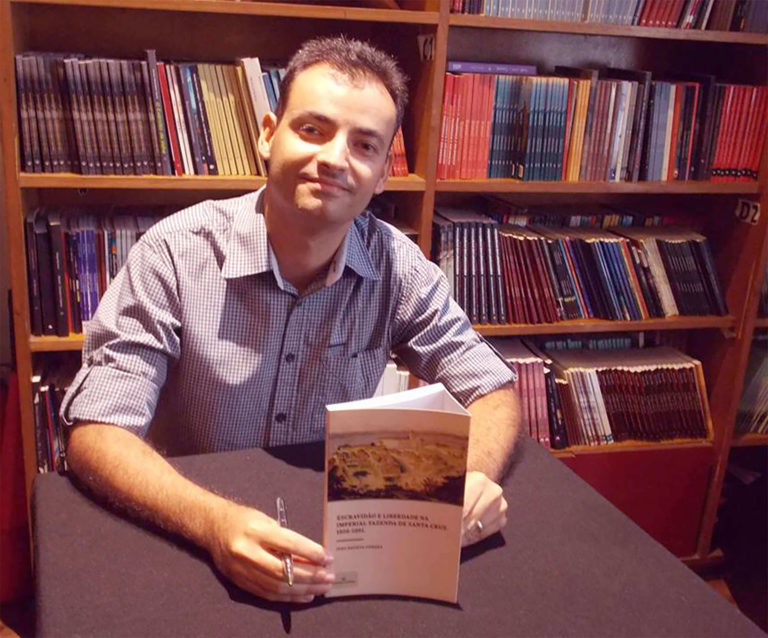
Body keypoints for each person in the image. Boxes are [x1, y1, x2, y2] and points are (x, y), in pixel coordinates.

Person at [61, 36, 520, 604]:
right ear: (267, 134)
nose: (334, 159)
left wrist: (471, 478)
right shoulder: (173, 254)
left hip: (329, 545)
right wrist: (213, 524)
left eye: (364, 145)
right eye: (312, 129)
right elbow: (97, 433)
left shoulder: (398, 267)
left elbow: (492, 389)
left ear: (382, 175)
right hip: (186, 526)